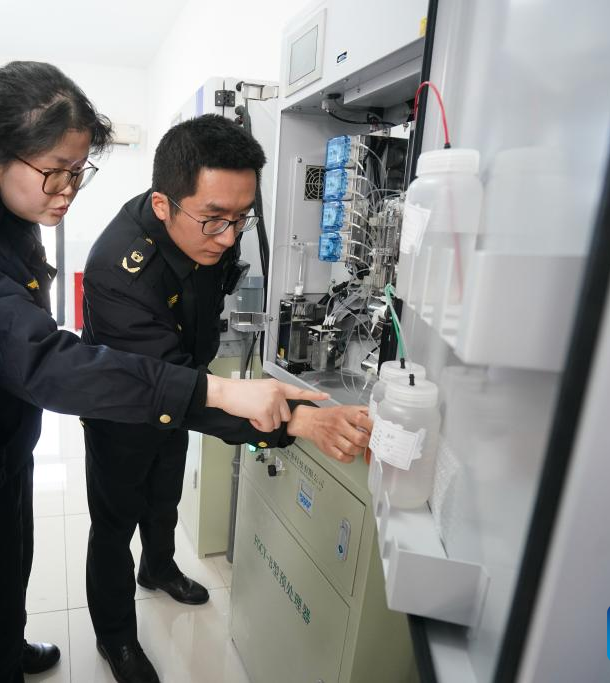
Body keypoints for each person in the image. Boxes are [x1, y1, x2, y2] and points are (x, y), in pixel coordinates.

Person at [0, 62, 330, 682]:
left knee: (12, 573)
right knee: (8, 574)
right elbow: (46, 363)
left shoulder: (13, 224)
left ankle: (7, 640)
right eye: (55, 171)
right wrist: (237, 398)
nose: (68, 190)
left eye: (78, 171)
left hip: (5, 444)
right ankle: (25, 650)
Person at [81, 114, 374, 683]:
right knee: (114, 523)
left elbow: (191, 367)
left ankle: (159, 568)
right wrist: (296, 422)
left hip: (186, 380)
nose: (228, 236)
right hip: (124, 408)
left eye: (241, 218)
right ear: (163, 204)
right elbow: (171, 388)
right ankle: (115, 637)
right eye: (214, 219)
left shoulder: (206, 232)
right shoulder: (119, 271)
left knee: (164, 493)